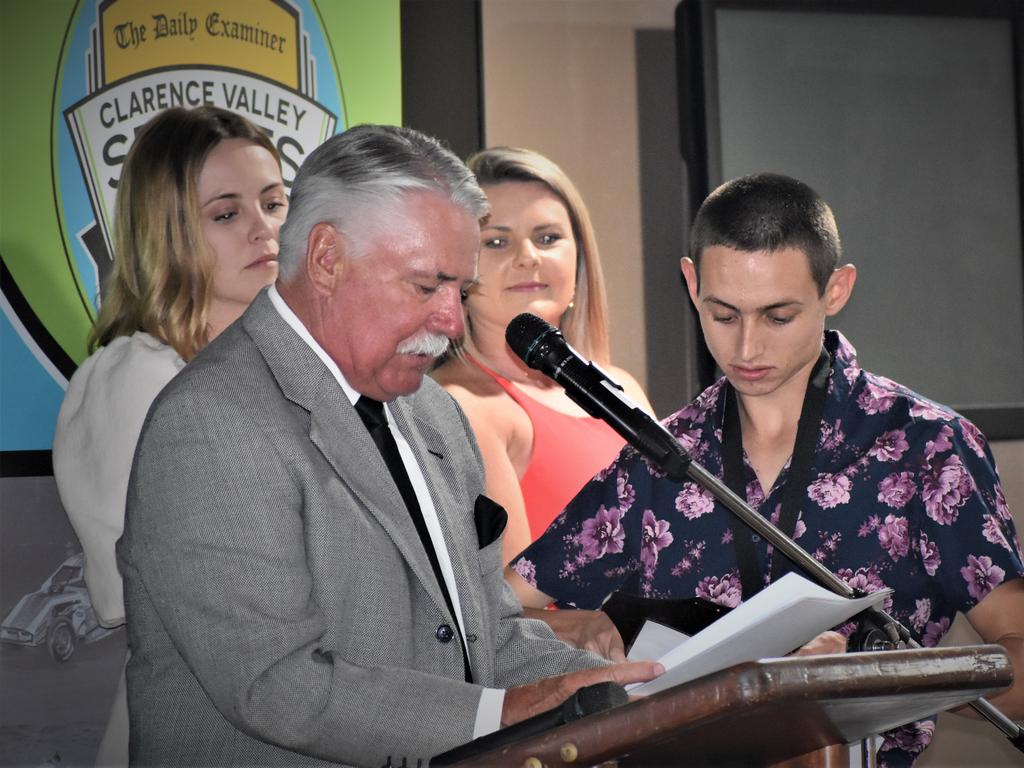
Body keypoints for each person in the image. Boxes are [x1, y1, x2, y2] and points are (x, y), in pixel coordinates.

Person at [114, 124, 660, 767]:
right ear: (325, 259)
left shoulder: (430, 412)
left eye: (460, 290)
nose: (451, 321)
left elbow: (489, 632)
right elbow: (276, 686)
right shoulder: (213, 423)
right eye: (427, 286)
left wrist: (637, 690)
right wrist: (501, 712)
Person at [508, 173, 1024, 766]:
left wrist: (880, 678)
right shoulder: (661, 455)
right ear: (691, 282)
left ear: (836, 290)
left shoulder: (927, 448)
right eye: (723, 315)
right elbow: (490, 615)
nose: (747, 349)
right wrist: (571, 627)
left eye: (778, 317)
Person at [52, 105, 288, 766]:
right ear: (165, 230)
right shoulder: (134, 377)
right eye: (226, 213)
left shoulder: (288, 367)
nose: (263, 229)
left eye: (273, 203)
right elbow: (148, 595)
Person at [432, 147, 652, 565]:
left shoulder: (621, 385)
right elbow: (510, 611)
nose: (528, 257)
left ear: (579, 254)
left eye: (548, 238)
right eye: (496, 241)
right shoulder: (463, 406)